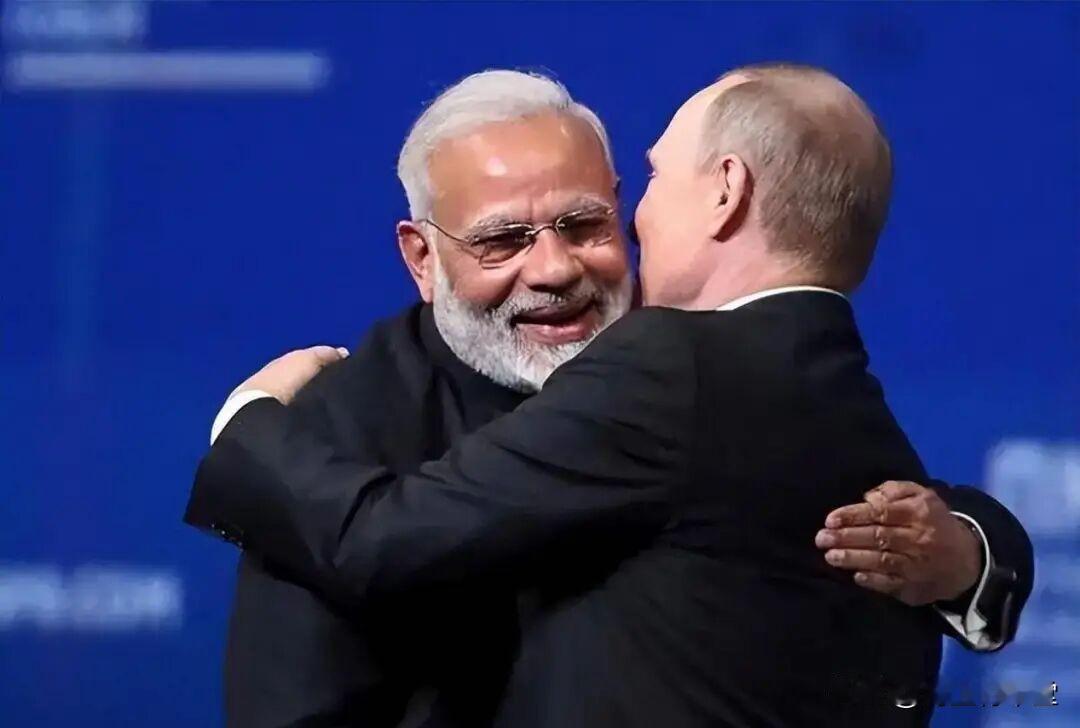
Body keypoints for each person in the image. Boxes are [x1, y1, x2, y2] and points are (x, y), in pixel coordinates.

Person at [190, 67, 1033, 726]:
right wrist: (254, 433)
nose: (555, 269)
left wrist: (964, 551)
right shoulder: (336, 436)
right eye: (503, 240)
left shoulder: (686, 362)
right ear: (422, 258)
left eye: (586, 224)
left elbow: (837, 477)